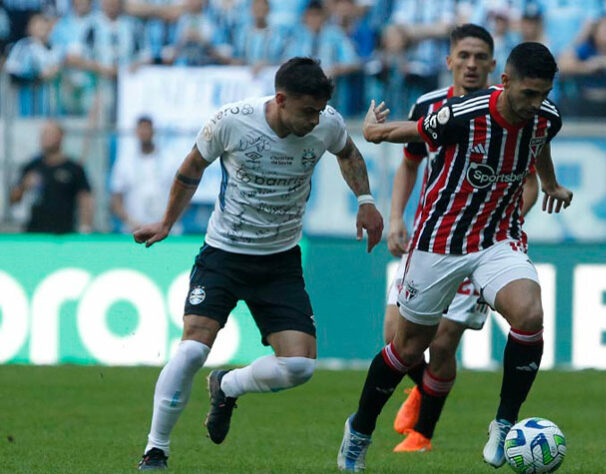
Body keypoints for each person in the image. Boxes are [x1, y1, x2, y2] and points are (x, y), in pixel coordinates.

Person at [133, 57, 384, 470]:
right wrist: (166, 222)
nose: (313, 120)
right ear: (280, 99)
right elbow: (190, 168)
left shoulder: (327, 122)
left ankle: (227, 385)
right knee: (192, 350)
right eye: (306, 111)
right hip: (224, 254)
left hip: (279, 260)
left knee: (300, 366)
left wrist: (366, 201)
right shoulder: (232, 121)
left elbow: (349, 153)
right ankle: (156, 448)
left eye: (319, 111)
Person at [337, 42, 573, 471]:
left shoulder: (546, 117)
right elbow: (400, 136)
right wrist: (372, 131)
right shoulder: (464, 115)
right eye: (527, 94)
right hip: (439, 243)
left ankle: (504, 424)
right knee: (407, 348)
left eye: (543, 94)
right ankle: (360, 429)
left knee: (530, 314)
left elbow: (539, 145)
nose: (535, 104)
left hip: (497, 240)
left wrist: (551, 184)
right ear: (505, 82)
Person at [383, 23, 539, 454]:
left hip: (483, 245)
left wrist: (497, 221)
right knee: (395, 338)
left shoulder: (513, 112)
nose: (471, 65)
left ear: (493, 66)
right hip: (433, 237)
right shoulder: (428, 105)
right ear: (449, 60)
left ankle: (422, 435)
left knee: (443, 340)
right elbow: (410, 163)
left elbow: (530, 183)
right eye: (463, 56)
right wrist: (396, 217)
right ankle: (423, 392)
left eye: (480, 58)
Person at [10, 121, 93, 234]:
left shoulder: (74, 168)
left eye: (49, 134)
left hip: (64, 234)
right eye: (43, 134)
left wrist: (85, 227)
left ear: (61, 137)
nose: (45, 138)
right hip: (35, 232)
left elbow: (85, 199)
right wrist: (24, 186)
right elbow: (13, 200)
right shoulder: (31, 166)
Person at [110, 116, 179, 233]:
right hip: (133, 229)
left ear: (153, 131)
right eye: (142, 129)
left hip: (166, 230)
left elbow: (183, 195)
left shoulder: (170, 160)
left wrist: (168, 222)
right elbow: (116, 200)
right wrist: (131, 222)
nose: (145, 132)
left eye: (148, 129)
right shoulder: (124, 162)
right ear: (136, 132)